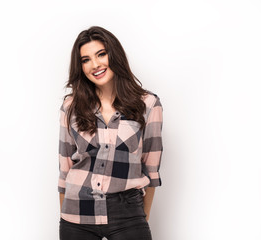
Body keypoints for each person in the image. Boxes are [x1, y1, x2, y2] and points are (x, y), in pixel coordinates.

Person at [58, 26, 163, 240]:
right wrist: (66, 216)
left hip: (128, 213)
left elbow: (151, 171)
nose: (95, 65)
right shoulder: (71, 106)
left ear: (114, 54)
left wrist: (141, 217)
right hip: (77, 213)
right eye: (85, 60)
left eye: (101, 54)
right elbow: (65, 168)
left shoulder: (148, 104)